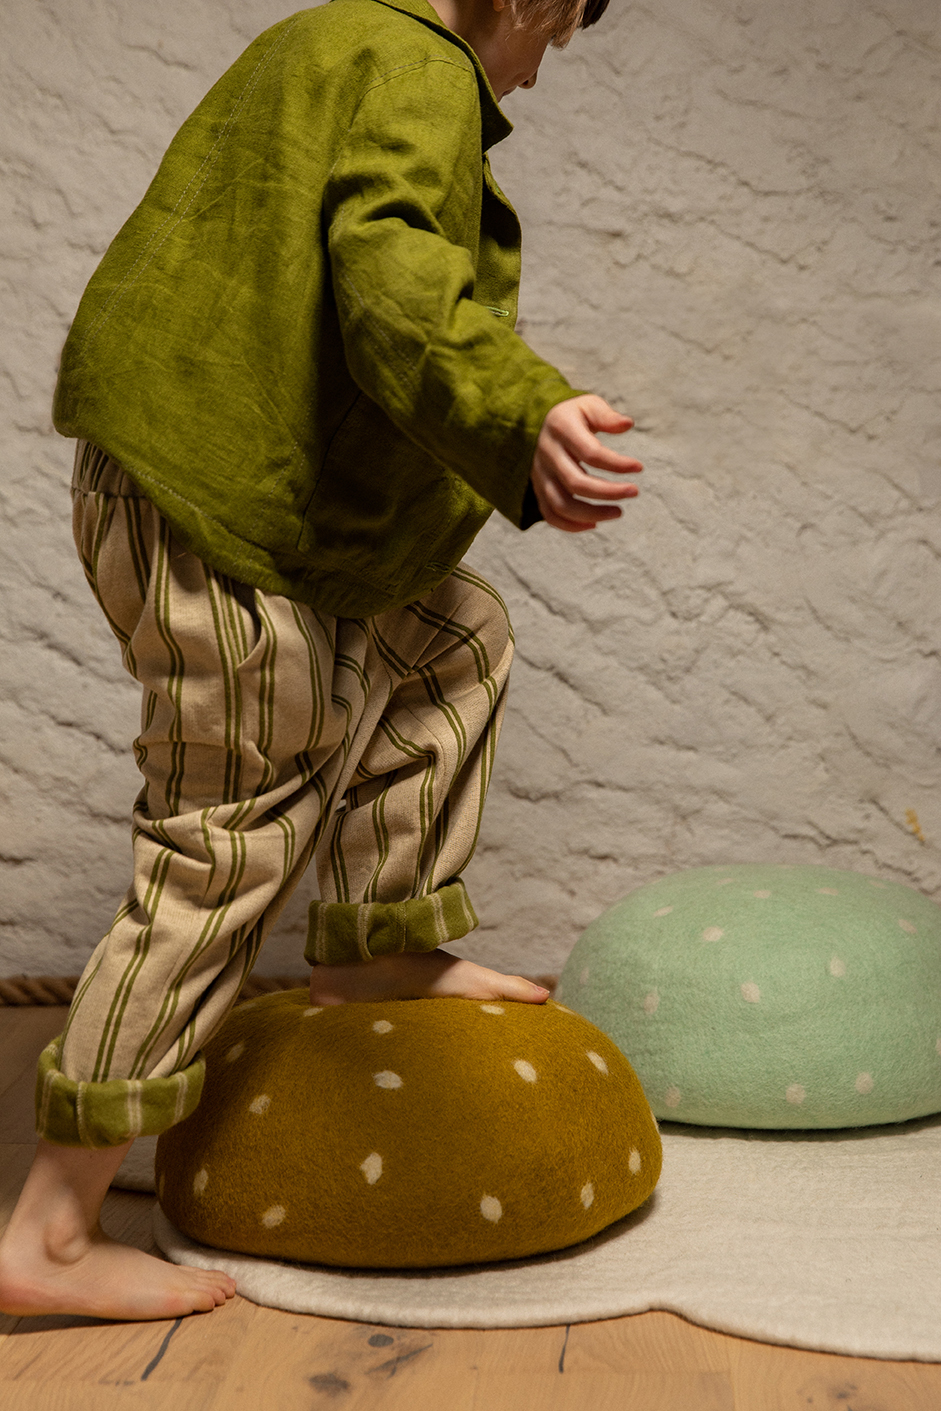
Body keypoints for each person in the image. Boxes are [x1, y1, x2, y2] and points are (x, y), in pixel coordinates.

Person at [0, 0, 641, 1321]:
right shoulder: (418, 67)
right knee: (225, 836)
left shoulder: (326, 42)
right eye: (552, 38)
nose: (533, 73)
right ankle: (50, 1228)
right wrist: (522, 413)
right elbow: (395, 279)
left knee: (451, 638)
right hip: (220, 507)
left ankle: (375, 941)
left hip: (224, 492)